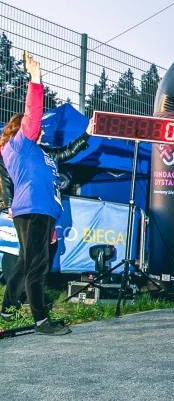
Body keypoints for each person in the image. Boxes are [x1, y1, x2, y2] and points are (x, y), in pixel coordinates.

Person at [0, 53, 69, 334]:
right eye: (35, 128)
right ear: (21, 129)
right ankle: (42, 320)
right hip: (34, 209)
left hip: (41, 210)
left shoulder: (36, 154)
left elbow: (58, 162)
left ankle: (6, 307)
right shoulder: (20, 145)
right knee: (37, 267)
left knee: (27, 261)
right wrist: (35, 79)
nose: (40, 130)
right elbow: (32, 113)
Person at [0, 115, 93, 297]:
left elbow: (65, 152)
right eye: (39, 128)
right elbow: (4, 179)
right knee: (23, 255)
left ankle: (21, 299)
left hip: (41, 209)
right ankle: (25, 300)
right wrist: (10, 205)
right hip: (18, 209)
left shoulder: (41, 152)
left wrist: (87, 134)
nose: (43, 131)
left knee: (40, 252)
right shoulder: (11, 150)